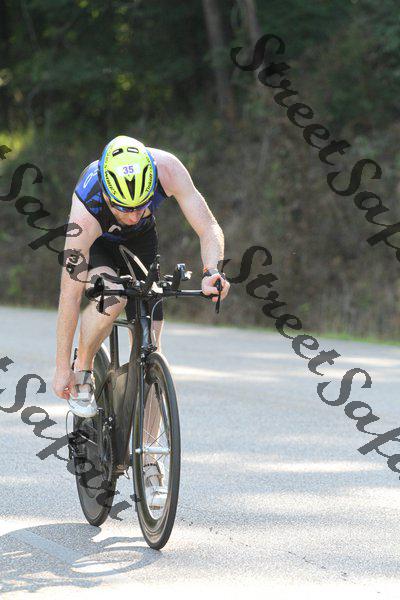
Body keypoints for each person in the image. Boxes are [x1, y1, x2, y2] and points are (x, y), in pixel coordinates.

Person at [52, 135, 229, 506]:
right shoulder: (86, 208)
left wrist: (212, 271)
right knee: (112, 296)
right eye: (125, 208)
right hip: (99, 243)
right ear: (108, 195)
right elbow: (69, 294)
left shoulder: (168, 169)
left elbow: (208, 226)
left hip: (141, 244)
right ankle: (85, 369)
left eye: (141, 206)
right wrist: (62, 368)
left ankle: (149, 459)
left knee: (152, 340)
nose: (133, 215)